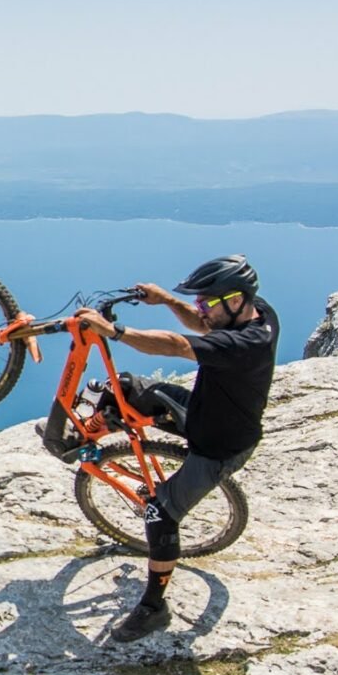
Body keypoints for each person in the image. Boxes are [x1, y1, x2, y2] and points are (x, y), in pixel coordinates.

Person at [72, 255, 279, 643]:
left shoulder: (246, 343)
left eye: (207, 303)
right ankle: (89, 435)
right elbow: (201, 325)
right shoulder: (257, 310)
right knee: (128, 389)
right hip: (201, 411)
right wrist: (168, 300)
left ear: (236, 300)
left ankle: (154, 606)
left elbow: (176, 345)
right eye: (200, 302)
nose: (201, 311)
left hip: (220, 444)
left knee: (159, 513)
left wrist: (112, 331)